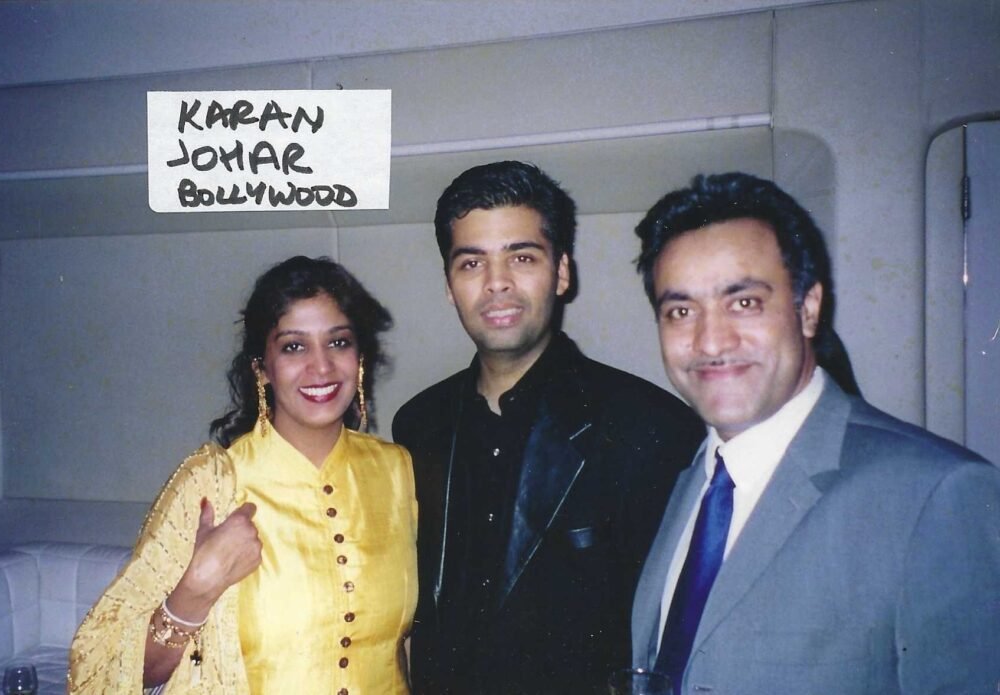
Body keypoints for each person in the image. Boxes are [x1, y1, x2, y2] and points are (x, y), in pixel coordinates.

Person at [630, 172, 1000, 694]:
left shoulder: (935, 494)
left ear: (807, 309)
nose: (710, 342)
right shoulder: (688, 478)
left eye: (744, 302)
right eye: (681, 311)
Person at [392, 161, 704, 694]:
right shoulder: (419, 424)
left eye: (522, 257)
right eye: (472, 263)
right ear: (449, 284)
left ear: (561, 272)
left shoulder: (648, 428)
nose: (497, 283)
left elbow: (671, 639)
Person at [69, 256, 417, 694]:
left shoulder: (397, 470)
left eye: (338, 342)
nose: (322, 367)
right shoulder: (213, 485)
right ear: (262, 368)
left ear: (359, 356)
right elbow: (98, 676)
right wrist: (197, 589)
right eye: (293, 347)